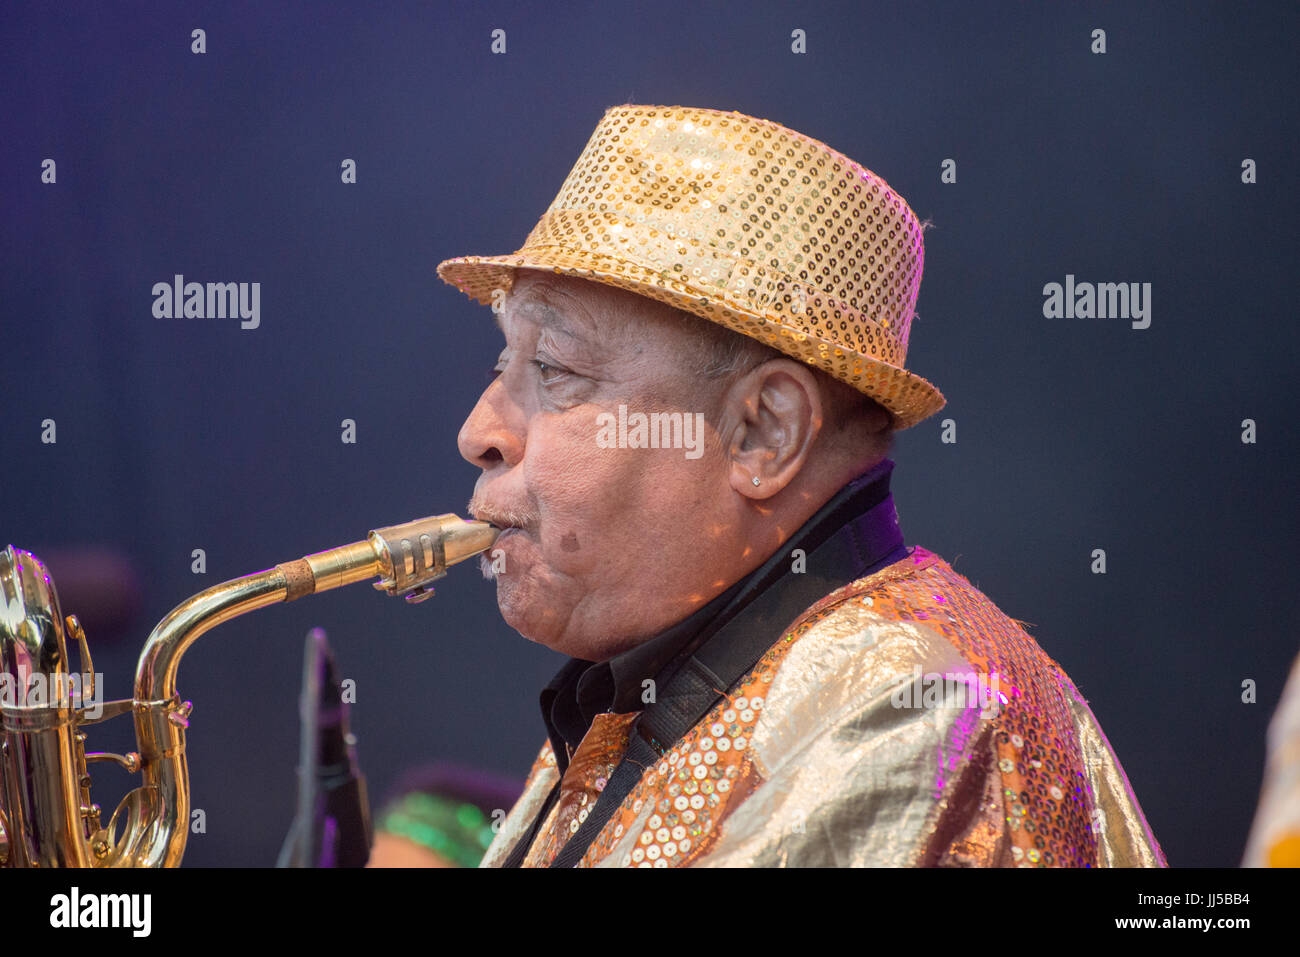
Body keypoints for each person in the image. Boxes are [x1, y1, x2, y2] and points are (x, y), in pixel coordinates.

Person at [437, 104, 1167, 867]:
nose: (478, 430)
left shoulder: (912, 703)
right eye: (503, 363)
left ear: (764, 432)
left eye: (552, 366)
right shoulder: (638, 704)